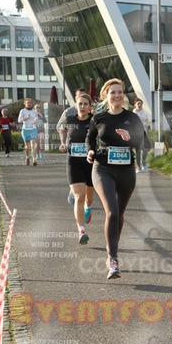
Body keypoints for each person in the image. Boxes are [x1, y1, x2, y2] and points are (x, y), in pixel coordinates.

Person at [86, 79, 147, 280]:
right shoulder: (99, 118)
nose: (117, 95)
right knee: (111, 212)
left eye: (120, 92)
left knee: (119, 214)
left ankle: (111, 250)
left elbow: (145, 143)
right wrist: (90, 150)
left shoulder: (132, 118)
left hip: (126, 170)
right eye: (113, 92)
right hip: (103, 169)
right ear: (106, 95)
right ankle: (113, 259)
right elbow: (90, 138)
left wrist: (131, 138)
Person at [59, 93, 96, 245]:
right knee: (79, 196)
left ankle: (89, 207)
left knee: (89, 197)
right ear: (76, 105)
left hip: (91, 162)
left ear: (90, 106)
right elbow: (62, 130)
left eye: (85, 104)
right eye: (80, 104)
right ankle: (81, 231)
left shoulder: (94, 121)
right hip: (73, 162)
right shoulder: (69, 120)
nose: (82, 107)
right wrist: (62, 143)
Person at [58, 88, 88, 204]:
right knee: (76, 175)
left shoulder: (92, 114)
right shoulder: (68, 113)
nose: (82, 104)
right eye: (80, 96)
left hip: (87, 149)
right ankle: (74, 193)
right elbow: (61, 127)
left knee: (87, 177)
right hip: (73, 149)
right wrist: (63, 143)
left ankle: (84, 198)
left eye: (84, 96)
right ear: (76, 99)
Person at [18, 98, 39, 166]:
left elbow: (36, 119)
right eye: (28, 103)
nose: (29, 104)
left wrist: (36, 121)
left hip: (33, 129)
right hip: (25, 129)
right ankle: (27, 158)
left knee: (33, 145)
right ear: (25, 104)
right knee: (27, 146)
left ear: (32, 104)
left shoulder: (34, 111)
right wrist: (26, 118)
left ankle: (34, 160)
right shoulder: (23, 111)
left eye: (30, 103)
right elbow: (19, 120)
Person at [133, 98, 150, 172]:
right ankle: (138, 166)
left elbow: (147, 122)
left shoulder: (144, 113)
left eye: (141, 104)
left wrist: (147, 124)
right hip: (135, 134)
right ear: (135, 105)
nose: (139, 105)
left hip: (143, 133)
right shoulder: (133, 113)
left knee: (146, 149)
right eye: (138, 103)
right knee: (138, 150)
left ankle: (143, 161)